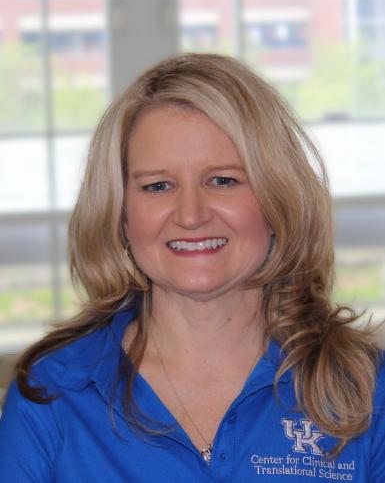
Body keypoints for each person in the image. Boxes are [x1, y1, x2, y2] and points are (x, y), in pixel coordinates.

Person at [0, 53, 384, 482]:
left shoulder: (366, 392)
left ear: (278, 201)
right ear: (121, 215)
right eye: (158, 186)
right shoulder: (54, 392)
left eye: (223, 180)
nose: (190, 213)